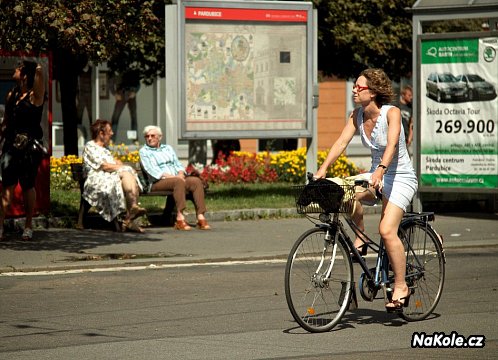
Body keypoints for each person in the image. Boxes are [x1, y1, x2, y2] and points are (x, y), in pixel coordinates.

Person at [315, 68, 418, 312]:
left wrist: (381, 170)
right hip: (375, 175)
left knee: (385, 230)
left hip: (399, 176)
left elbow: (392, 144)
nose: (353, 90)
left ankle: (401, 286)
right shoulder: (357, 116)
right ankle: (360, 235)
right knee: (342, 193)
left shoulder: (391, 113)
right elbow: (341, 142)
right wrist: (322, 169)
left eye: (358, 87)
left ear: (372, 92)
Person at [0, 60, 45, 241]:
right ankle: (0, 226)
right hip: (11, 144)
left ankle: (28, 225)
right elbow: (6, 121)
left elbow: (41, 74)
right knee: (7, 186)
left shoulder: (36, 95)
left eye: (18, 68)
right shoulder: (12, 94)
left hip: (28, 147)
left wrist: (34, 64)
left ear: (26, 75)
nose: (15, 69)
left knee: (27, 185)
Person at [139, 125, 211, 230]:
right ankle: (180, 218)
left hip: (177, 180)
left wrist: (181, 173)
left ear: (160, 137)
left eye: (152, 135)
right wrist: (175, 177)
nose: (149, 138)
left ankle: (201, 217)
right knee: (178, 182)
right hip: (156, 182)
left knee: (195, 181)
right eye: (147, 136)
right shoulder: (144, 152)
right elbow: (152, 171)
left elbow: (178, 164)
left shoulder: (168, 148)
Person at [82, 119, 146, 232]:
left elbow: (114, 162)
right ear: (101, 133)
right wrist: (124, 167)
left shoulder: (105, 149)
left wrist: (121, 165)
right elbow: (104, 166)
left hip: (109, 176)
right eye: (109, 131)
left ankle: (130, 213)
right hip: (97, 179)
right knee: (127, 173)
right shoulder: (90, 146)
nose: (112, 133)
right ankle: (130, 215)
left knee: (127, 174)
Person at [110, 70, 140, 140]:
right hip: (121, 94)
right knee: (115, 117)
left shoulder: (131, 69)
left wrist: (135, 92)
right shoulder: (116, 69)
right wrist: (115, 93)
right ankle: (112, 139)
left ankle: (134, 139)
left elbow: (138, 83)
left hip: (131, 93)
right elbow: (111, 83)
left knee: (133, 117)